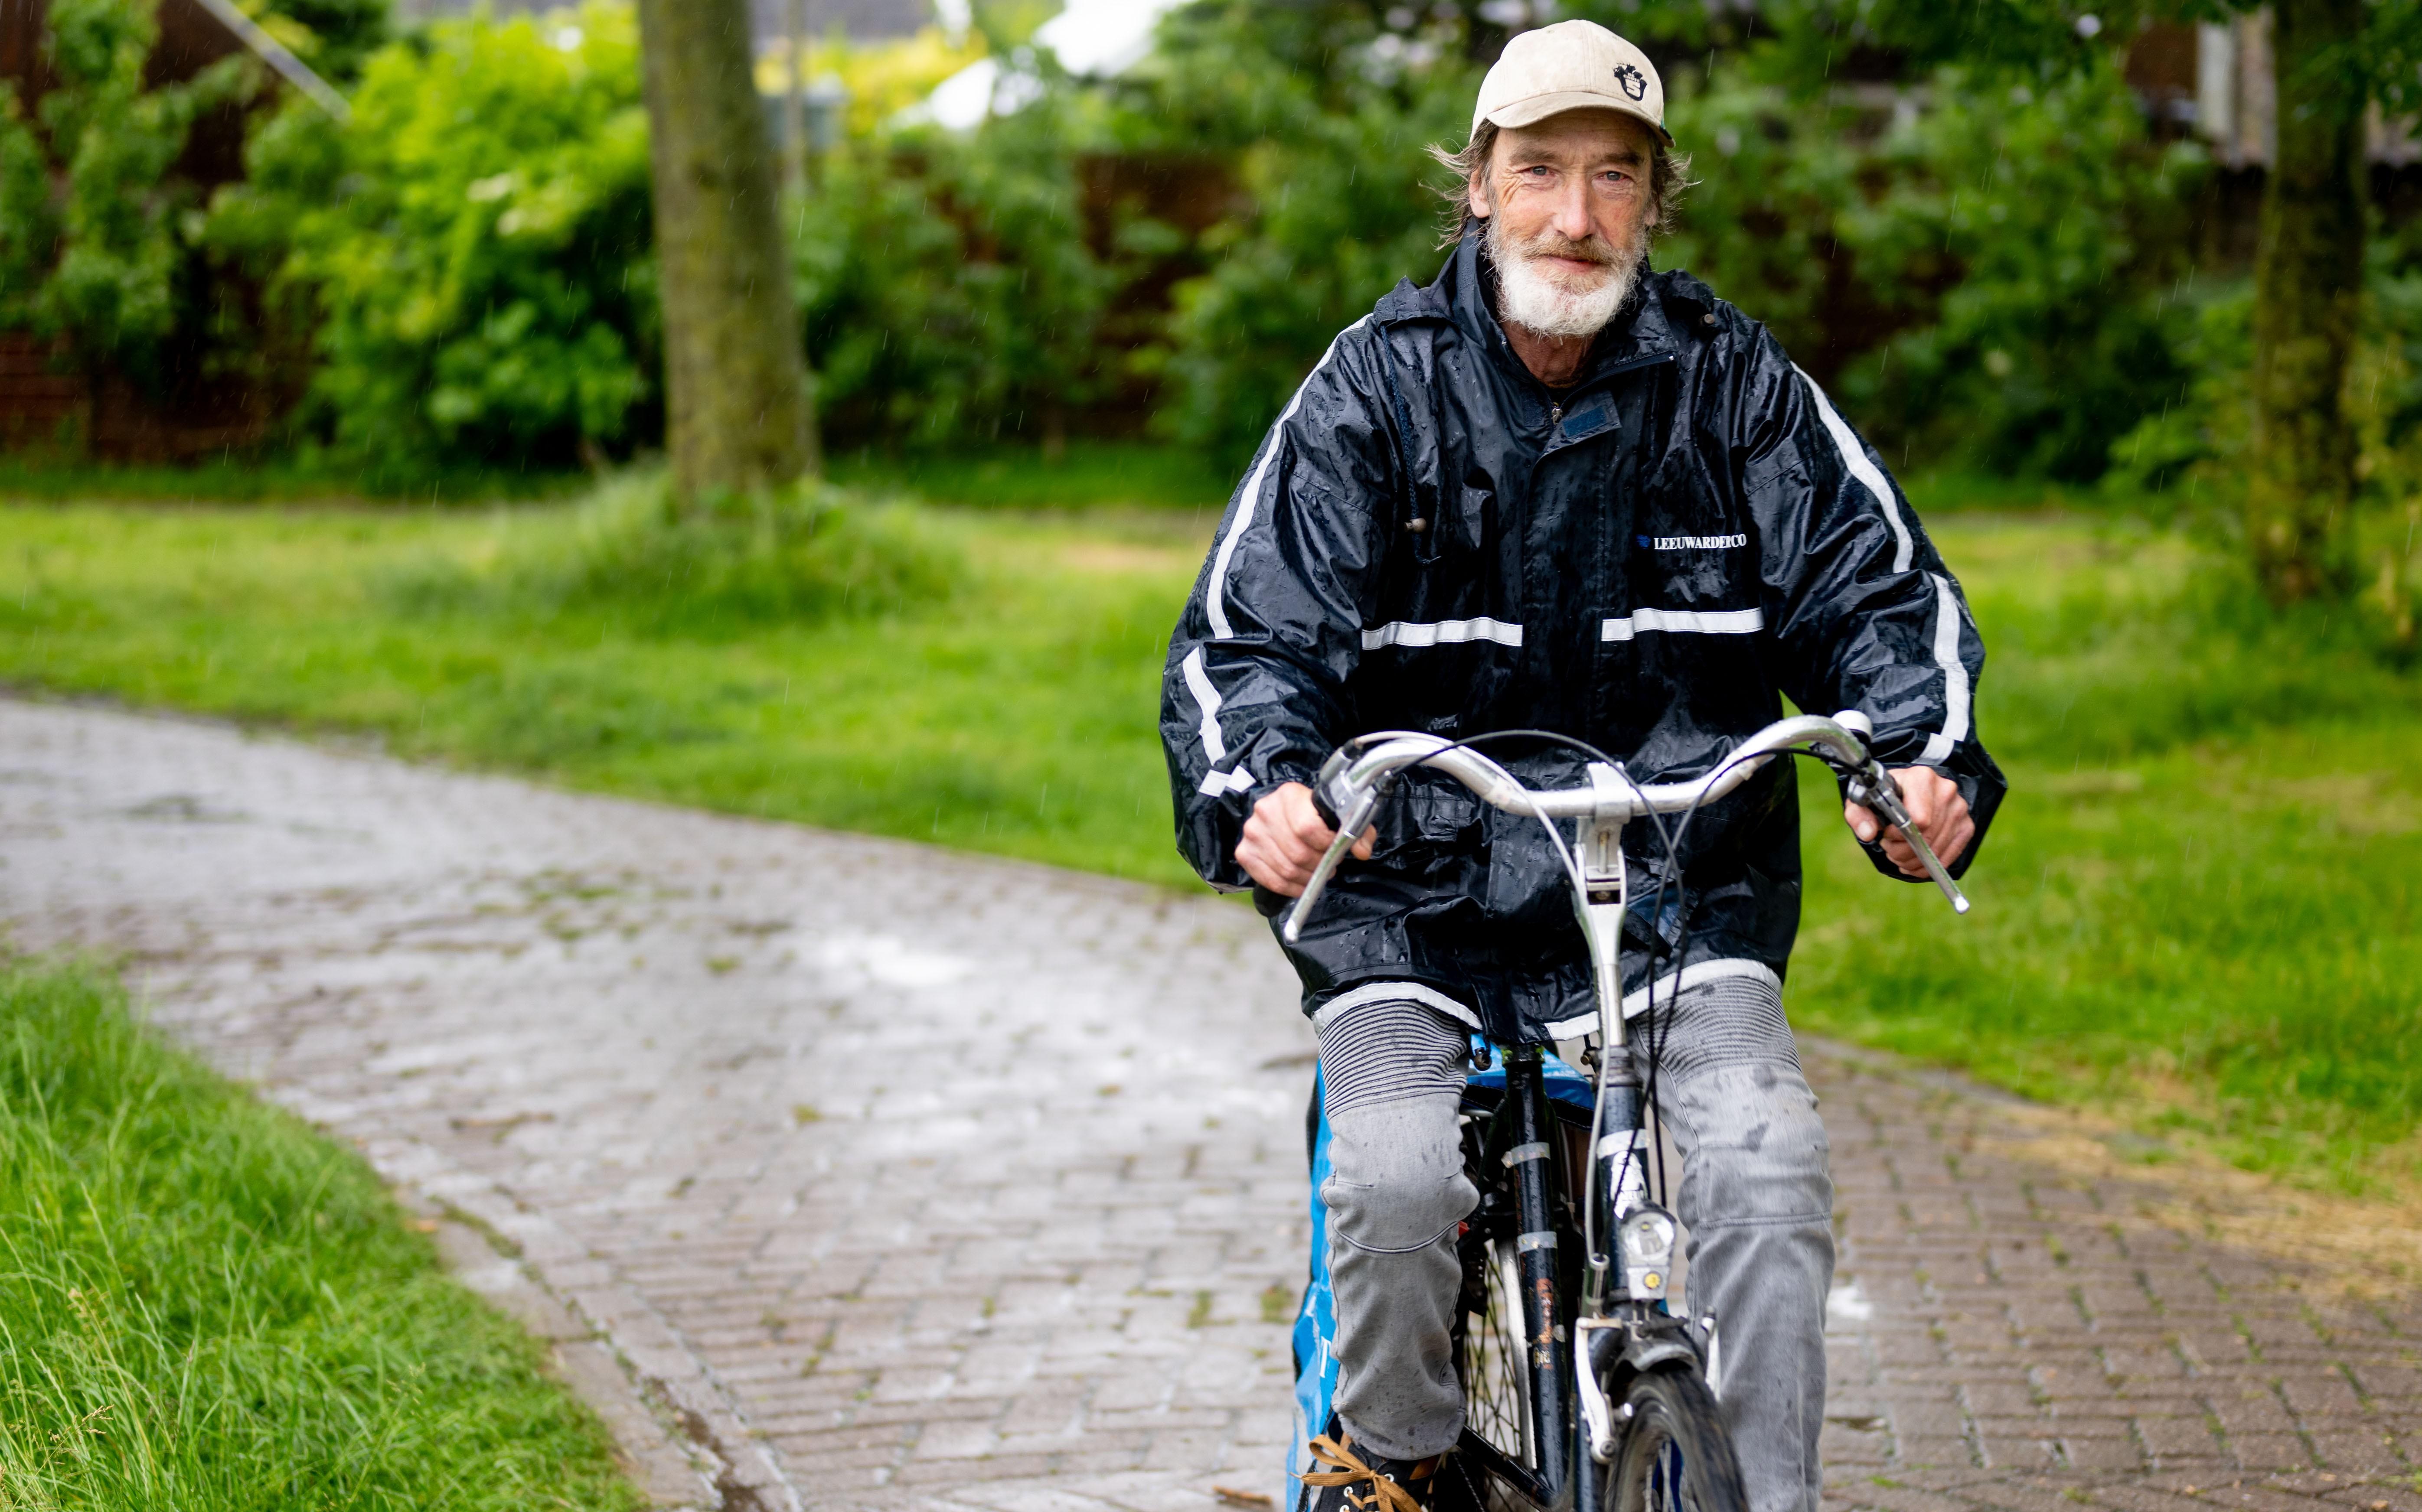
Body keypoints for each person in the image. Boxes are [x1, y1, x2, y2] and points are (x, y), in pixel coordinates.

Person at [1160, 18, 2004, 1512]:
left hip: (1679, 896)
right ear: (1476, 184)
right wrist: (1262, 789)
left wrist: (1918, 762)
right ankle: (1393, 1457)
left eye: (1613, 178)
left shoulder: (1734, 384)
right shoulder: (1374, 387)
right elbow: (1245, 638)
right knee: (1399, 1179)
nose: (1574, 215)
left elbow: (1879, 597)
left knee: (1759, 1166)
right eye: (1538, 171)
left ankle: (1759, 1498)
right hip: (1411, 902)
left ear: (1654, 201)